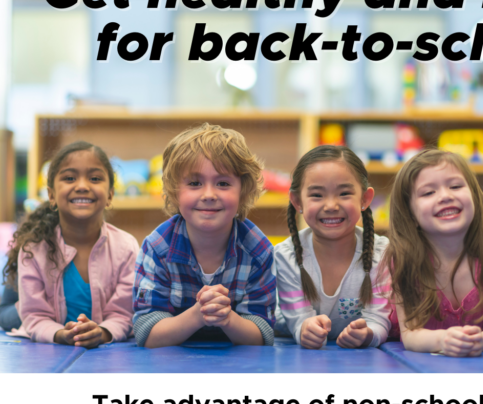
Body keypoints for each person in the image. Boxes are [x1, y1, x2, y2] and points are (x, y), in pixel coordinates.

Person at [133, 124, 275, 348]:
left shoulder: (258, 249)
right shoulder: (157, 246)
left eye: (223, 183)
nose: (209, 194)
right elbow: (147, 333)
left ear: (243, 190)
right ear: (174, 190)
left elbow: (261, 334)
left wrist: (227, 319)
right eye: (195, 183)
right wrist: (198, 315)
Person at [380, 150, 483, 356]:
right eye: (428, 193)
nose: (446, 196)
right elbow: (410, 335)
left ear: (474, 196)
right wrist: (443, 340)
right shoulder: (403, 259)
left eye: (455, 186)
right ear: (411, 214)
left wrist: (470, 341)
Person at [4, 141, 138, 346]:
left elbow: (124, 314)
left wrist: (102, 332)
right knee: (11, 315)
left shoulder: (127, 247)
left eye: (94, 178)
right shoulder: (33, 249)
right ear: (51, 195)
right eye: (69, 178)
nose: (82, 186)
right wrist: (60, 334)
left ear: (110, 195)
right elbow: (35, 316)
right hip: (29, 319)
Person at [275, 145, 391, 349]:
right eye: (317, 195)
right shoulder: (286, 256)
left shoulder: (382, 253)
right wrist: (306, 329)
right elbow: (299, 321)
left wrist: (367, 334)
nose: (330, 205)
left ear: (365, 199)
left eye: (344, 193)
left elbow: (378, 320)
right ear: (297, 201)